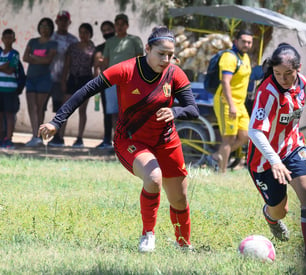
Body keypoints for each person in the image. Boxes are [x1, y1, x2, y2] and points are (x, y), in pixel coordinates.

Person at [39, 26, 199, 253]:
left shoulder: (175, 74)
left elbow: (193, 109)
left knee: (179, 199)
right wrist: (56, 121)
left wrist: (176, 112)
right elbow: (86, 90)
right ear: (147, 49)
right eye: (160, 53)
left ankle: (183, 245)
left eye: (170, 55)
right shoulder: (126, 69)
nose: (165, 59)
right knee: (153, 178)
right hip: (131, 140)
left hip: (166, 140)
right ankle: (148, 235)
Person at [246, 43, 306, 255]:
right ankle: (270, 216)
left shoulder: (303, 83)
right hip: (264, 159)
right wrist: (275, 161)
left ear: (298, 68)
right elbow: (254, 131)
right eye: (277, 73)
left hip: (293, 147)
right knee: (280, 211)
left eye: (288, 73)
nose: (283, 79)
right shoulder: (267, 92)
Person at [208, 29, 253, 173]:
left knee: (245, 136)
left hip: (240, 104)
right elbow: (226, 82)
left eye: (249, 42)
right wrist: (232, 105)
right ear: (236, 42)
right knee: (229, 138)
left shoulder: (245, 58)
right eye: (244, 41)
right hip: (226, 101)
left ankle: (216, 156)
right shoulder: (229, 57)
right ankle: (222, 172)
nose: (246, 44)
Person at [102, 13, 144, 137]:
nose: (119, 27)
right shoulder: (110, 42)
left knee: (129, 112)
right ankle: (119, 140)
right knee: (114, 113)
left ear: (127, 26)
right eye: (117, 24)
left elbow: (140, 60)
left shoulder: (134, 40)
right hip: (112, 81)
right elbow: (105, 62)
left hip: (129, 81)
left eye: (122, 24)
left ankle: (132, 140)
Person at [58, 23, 96, 148]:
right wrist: (63, 81)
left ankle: (79, 138)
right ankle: (60, 136)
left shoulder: (92, 48)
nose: (83, 35)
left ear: (90, 34)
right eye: (81, 32)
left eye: (86, 32)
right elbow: (67, 65)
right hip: (72, 79)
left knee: (82, 110)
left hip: (85, 80)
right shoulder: (73, 46)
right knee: (66, 108)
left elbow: (94, 66)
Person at [23, 17, 57, 147]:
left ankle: (39, 135)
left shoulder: (53, 44)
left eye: (47, 26)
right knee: (32, 107)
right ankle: (34, 135)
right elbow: (25, 57)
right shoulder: (33, 41)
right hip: (31, 77)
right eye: (42, 25)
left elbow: (48, 60)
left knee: (39, 107)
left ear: (51, 29)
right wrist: (39, 59)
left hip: (44, 79)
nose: (44, 28)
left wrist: (34, 58)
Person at [48, 10, 79, 147]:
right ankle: (39, 135)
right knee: (42, 107)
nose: (62, 23)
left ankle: (59, 137)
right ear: (56, 22)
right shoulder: (50, 38)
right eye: (60, 20)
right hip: (47, 77)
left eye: (65, 20)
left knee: (61, 109)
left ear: (69, 22)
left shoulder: (73, 41)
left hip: (64, 80)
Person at [0, 29, 20, 149]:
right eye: (6, 37)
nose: (8, 40)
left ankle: (8, 139)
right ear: (2, 39)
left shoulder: (14, 54)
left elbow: (11, 70)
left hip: (10, 89)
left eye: (10, 38)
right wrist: (3, 66)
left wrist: (0, 67)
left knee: (9, 115)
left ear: (14, 40)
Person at [93, 20, 115, 149]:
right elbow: (98, 62)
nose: (106, 32)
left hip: (120, 83)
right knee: (107, 113)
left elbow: (102, 61)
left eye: (109, 29)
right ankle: (107, 139)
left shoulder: (120, 46)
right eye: (104, 30)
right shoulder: (100, 47)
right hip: (105, 83)